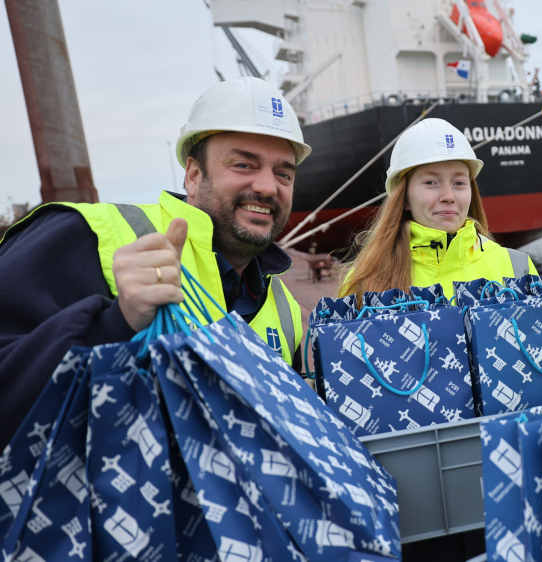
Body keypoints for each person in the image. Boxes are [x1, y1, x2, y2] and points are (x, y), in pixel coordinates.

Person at [0, 77, 310, 447]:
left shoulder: (286, 311)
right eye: (244, 164)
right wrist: (114, 324)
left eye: (284, 174)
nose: (267, 187)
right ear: (193, 176)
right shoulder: (90, 235)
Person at [340, 117, 536, 300]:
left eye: (459, 182)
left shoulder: (518, 269)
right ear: (404, 198)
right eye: (431, 182)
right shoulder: (362, 282)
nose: (448, 196)